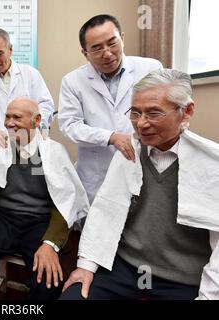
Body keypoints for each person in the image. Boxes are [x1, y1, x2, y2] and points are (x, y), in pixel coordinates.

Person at [60, 69, 219, 300]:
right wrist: (86, 266)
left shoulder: (212, 164)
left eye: (154, 113)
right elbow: (105, 210)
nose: (141, 124)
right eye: (135, 113)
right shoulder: (129, 152)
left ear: (187, 111)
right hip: (125, 268)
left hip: (182, 279)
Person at [0, 97, 89, 300]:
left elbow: (63, 203)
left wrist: (49, 245)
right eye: (7, 117)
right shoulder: (0, 148)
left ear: (37, 120)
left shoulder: (53, 152)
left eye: (17, 117)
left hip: (40, 222)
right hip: (5, 219)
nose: (9, 123)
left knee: (49, 281)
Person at [58, 14, 162, 203]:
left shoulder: (150, 69)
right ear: (85, 53)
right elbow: (69, 125)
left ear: (122, 38)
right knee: (99, 228)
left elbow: (163, 113)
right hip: (98, 175)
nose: (107, 53)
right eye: (96, 48)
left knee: (145, 224)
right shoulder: (72, 81)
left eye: (112, 43)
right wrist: (110, 137)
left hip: (145, 164)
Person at [0, 28, 55, 148]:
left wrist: (33, 126)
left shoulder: (30, 74)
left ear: (10, 50)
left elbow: (46, 106)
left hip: (31, 145)